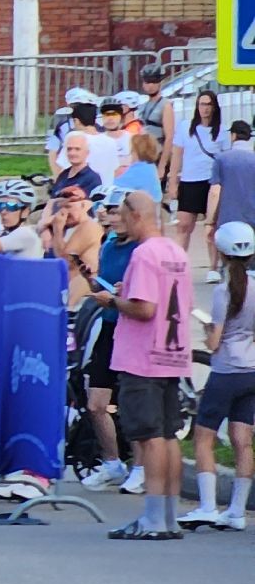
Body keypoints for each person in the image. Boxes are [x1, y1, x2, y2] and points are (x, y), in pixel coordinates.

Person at [102, 191, 191, 540]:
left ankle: (152, 518)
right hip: (174, 350)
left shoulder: (143, 253)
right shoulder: (175, 251)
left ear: (138, 216)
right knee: (168, 436)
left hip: (143, 356)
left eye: (123, 214)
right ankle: (167, 515)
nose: (119, 220)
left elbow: (144, 308)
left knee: (149, 437)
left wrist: (112, 300)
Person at [179, 222, 255, 531]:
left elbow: (215, 343)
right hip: (252, 370)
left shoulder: (224, 292)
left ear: (221, 254)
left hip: (225, 371)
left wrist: (207, 329)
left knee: (204, 435)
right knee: (242, 440)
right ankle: (236, 511)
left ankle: (208, 506)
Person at [170, 90, 226, 253]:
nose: (205, 108)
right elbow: (177, 156)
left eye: (209, 104)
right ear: (197, 106)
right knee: (183, 226)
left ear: (214, 107)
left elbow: (225, 160)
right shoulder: (185, 127)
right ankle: (178, 263)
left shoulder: (222, 131)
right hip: (189, 182)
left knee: (212, 227)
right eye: (202, 104)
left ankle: (214, 268)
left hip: (211, 183)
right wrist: (173, 182)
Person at [206, 130, 255, 284]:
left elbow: (215, 191)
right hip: (252, 219)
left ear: (233, 136)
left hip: (228, 219)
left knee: (229, 269)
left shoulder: (222, 159)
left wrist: (210, 220)